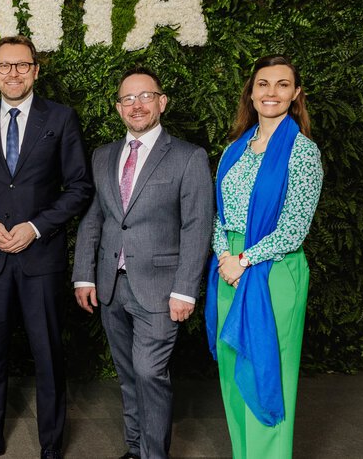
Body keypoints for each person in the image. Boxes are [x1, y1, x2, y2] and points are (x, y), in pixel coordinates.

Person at [0, 35, 93, 459]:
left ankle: (51, 446)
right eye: (3, 65)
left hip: (41, 258)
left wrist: (35, 227)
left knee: (48, 355)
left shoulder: (61, 118)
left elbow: (80, 187)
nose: (12, 73)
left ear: (35, 69)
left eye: (21, 65)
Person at [71, 67, 214, 459]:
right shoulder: (103, 156)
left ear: (162, 102)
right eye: (127, 99)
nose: (137, 105)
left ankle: (153, 455)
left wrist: (186, 289)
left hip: (162, 289)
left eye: (145, 96)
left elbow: (198, 225)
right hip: (111, 286)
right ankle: (134, 450)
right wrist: (83, 275)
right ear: (118, 108)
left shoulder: (188, 157)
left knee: (150, 372)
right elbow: (94, 218)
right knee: (129, 375)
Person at [205, 55, 323, 458]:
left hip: (273, 271)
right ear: (251, 92)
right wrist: (224, 255)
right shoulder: (234, 149)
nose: (271, 92)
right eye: (263, 84)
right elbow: (219, 214)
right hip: (227, 269)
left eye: (282, 84)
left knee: (266, 371)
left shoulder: (303, 152)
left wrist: (244, 260)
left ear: (296, 94)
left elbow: (294, 228)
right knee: (232, 370)